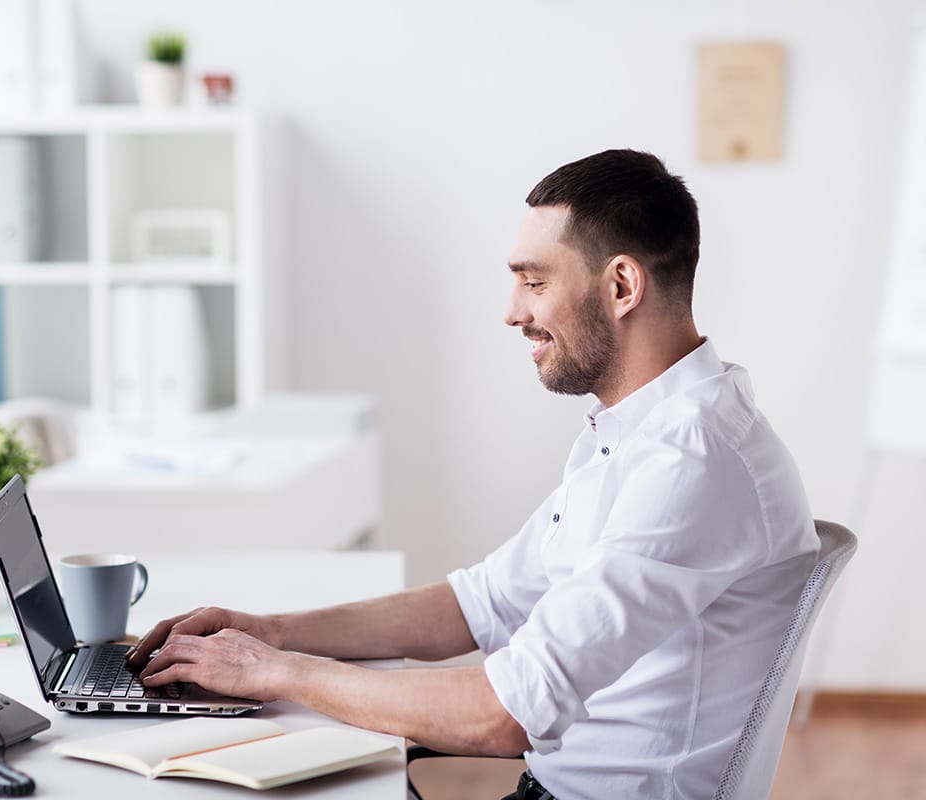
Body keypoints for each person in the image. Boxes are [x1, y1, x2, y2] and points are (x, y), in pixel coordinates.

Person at [127, 149, 818, 800]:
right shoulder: (639, 431)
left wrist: (271, 672)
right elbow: (483, 603)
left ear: (621, 285)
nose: (513, 311)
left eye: (534, 281)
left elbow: (503, 714)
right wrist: (271, 633)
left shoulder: (690, 461)